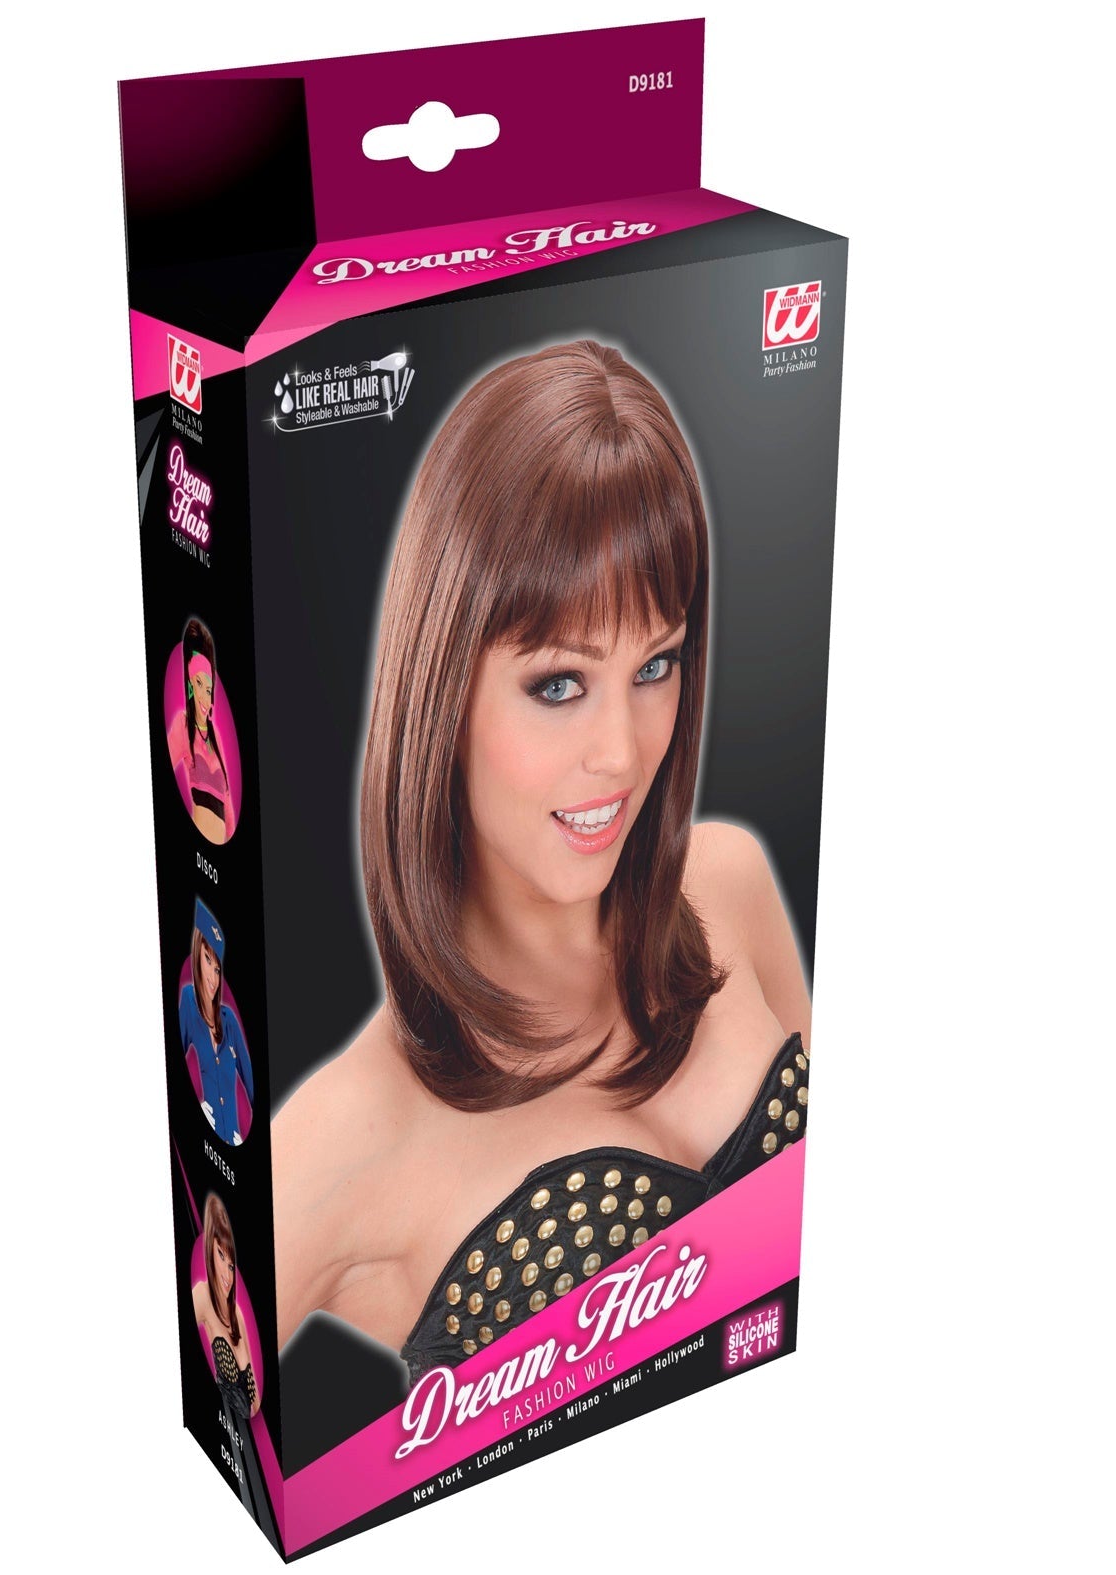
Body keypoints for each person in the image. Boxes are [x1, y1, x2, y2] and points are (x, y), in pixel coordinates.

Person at [271, 340, 812, 1384]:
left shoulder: (730, 883)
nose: (622, 753)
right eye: (559, 683)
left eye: (655, 665)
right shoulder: (354, 1133)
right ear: (443, 695)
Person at [192, 1194, 265, 1522]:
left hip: (248, 1431)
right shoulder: (201, 1297)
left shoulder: (237, 1314)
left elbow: (255, 1399)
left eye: (232, 1264)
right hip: (226, 1430)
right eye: (220, 1255)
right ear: (209, 1249)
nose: (227, 1272)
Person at [179, 899, 255, 1145]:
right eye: (207, 960)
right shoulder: (189, 1002)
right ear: (196, 956)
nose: (213, 977)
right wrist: (196, 1107)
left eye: (218, 968)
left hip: (232, 1140)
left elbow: (251, 1084)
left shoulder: (228, 1020)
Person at [167, 617, 236, 843]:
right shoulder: (183, 725)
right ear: (189, 684)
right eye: (199, 684)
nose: (206, 698)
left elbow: (228, 807)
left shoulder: (216, 738)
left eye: (209, 689)